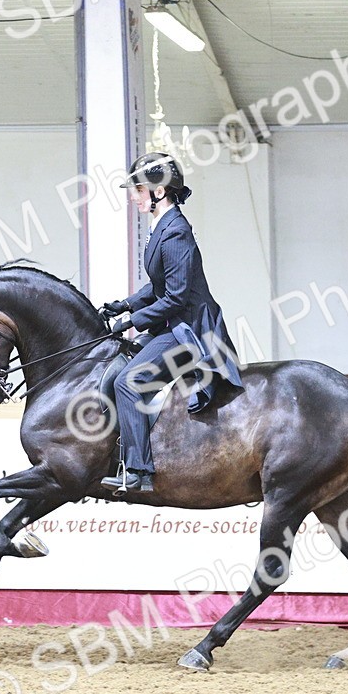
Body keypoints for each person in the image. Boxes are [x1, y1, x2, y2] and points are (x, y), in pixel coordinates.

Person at [99, 152, 243, 493]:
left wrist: (131, 321)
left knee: (129, 382)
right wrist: (125, 304)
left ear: (158, 192)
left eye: (137, 189)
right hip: (172, 322)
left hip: (189, 330)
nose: (133, 196)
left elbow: (176, 298)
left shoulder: (176, 231)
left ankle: (139, 472)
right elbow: (160, 284)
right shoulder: (161, 226)